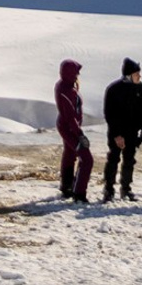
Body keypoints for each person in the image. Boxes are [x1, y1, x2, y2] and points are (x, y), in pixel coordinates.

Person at [100, 57, 142, 201]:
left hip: (132, 132)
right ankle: (108, 188)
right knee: (113, 159)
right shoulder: (114, 89)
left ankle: (126, 189)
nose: (139, 76)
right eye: (136, 74)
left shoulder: (141, 88)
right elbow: (109, 113)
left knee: (129, 160)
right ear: (128, 75)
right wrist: (117, 134)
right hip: (117, 132)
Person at [53, 57, 93, 203]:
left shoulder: (66, 85)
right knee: (87, 159)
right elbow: (70, 117)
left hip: (68, 126)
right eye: (75, 72)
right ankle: (79, 193)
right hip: (69, 128)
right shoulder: (65, 90)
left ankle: (67, 186)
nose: (78, 75)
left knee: (70, 154)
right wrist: (80, 135)